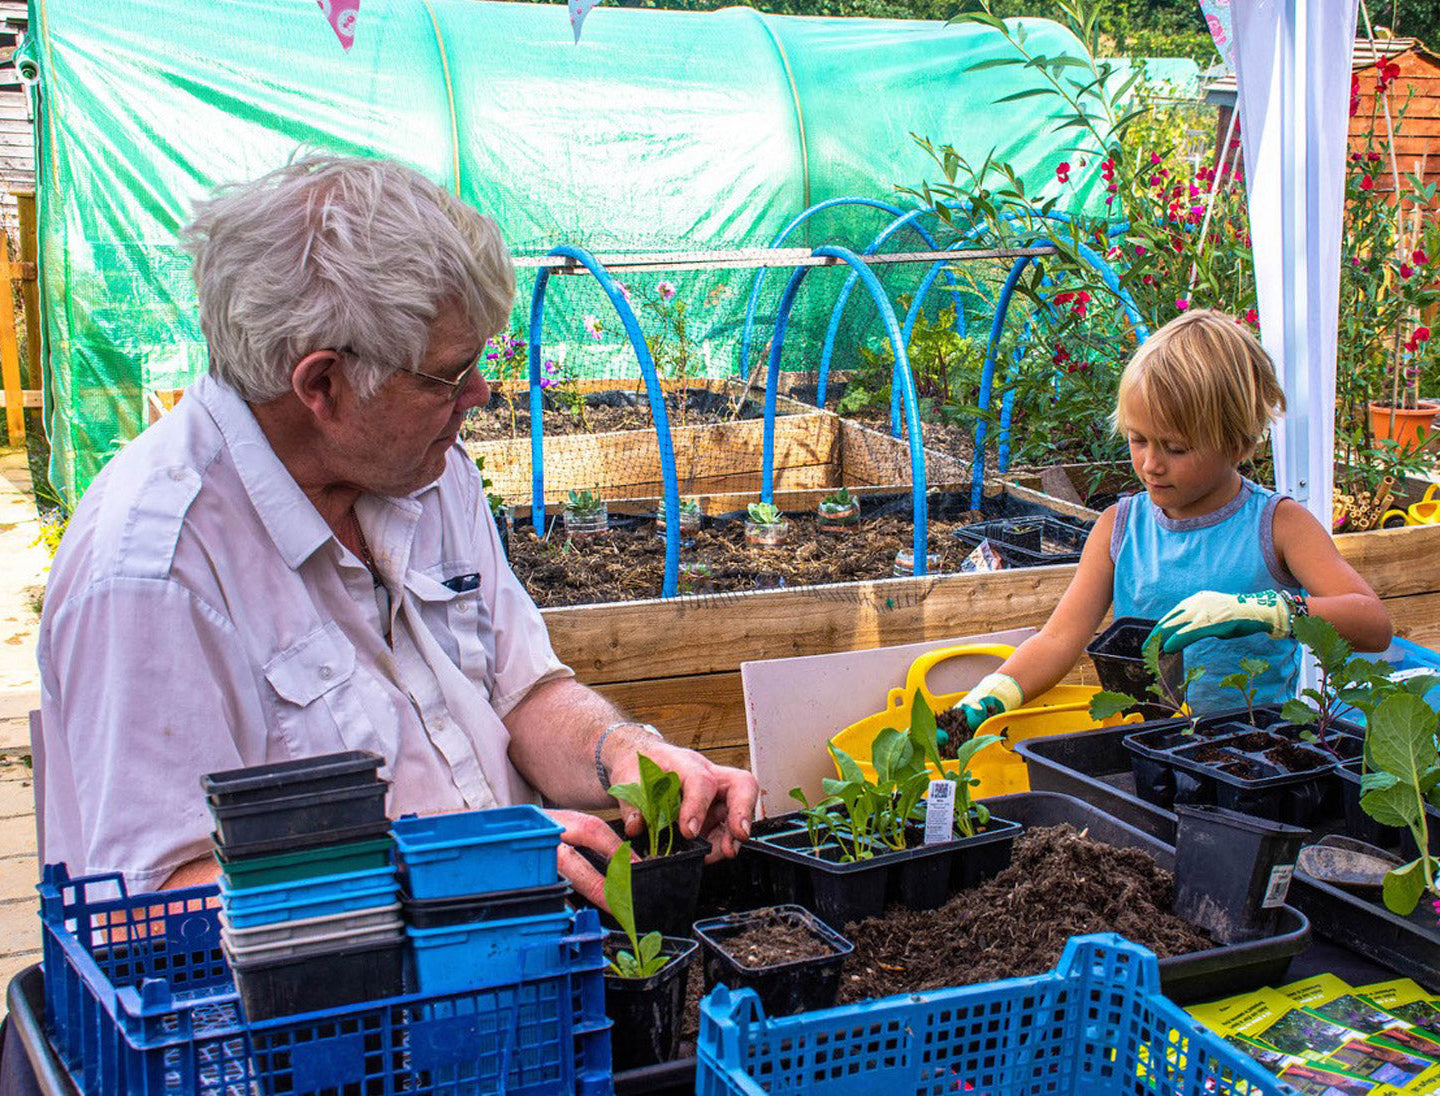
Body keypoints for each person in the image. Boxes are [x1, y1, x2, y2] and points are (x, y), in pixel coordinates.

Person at [34, 154, 758, 904]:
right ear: (322, 384)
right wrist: (460, 869)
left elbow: (521, 695)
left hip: (499, 957)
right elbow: (156, 906)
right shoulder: (153, 573)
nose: (478, 393)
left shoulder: (426, 473)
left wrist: (625, 755)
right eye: (449, 374)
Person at [951, 308, 1392, 726]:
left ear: (1238, 443)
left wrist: (1268, 610)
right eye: (1137, 439)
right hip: (1148, 746)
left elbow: (1372, 624)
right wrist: (995, 692)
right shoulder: (1119, 529)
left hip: (1256, 749)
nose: (1150, 464)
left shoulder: (1278, 525)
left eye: (1176, 448)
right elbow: (1058, 640)